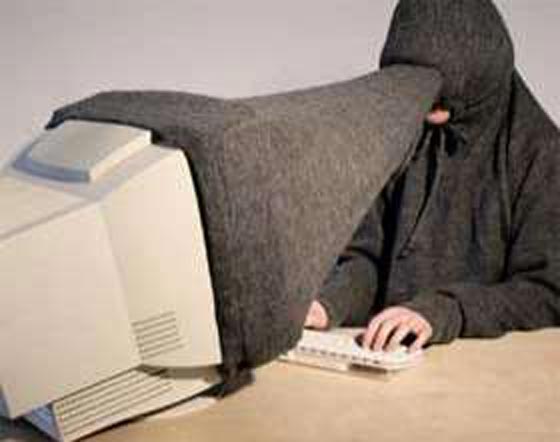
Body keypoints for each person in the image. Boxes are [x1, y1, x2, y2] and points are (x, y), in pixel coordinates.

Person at [305, 0, 560, 353]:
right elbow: (366, 258)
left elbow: (548, 292)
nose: (428, 99)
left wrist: (446, 311)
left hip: (483, 368)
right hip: (392, 359)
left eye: (439, 83)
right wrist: (328, 304)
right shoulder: (404, 135)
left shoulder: (542, 153)